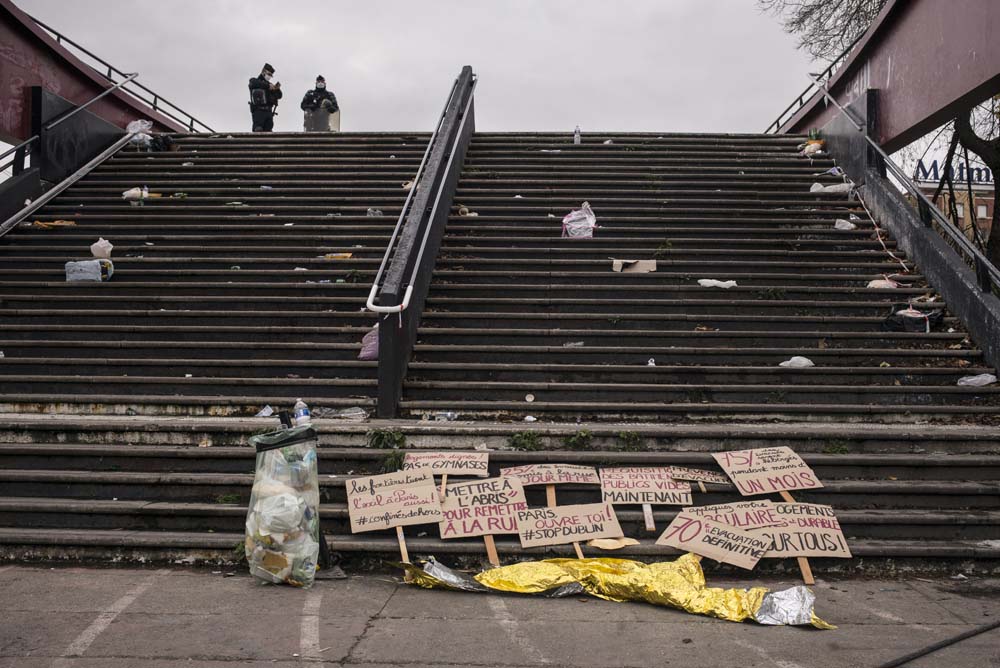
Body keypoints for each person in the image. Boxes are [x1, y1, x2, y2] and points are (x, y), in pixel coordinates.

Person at [248, 63, 282, 132]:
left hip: (269, 113)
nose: (269, 76)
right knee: (258, 131)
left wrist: (276, 89)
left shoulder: (270, 85)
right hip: (258, 112)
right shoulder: (255, 82)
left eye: (270, 75)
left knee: (268, 133)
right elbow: (253, 82)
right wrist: (268, 86)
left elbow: (279, 96)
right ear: (263, 72)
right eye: (268, 74)